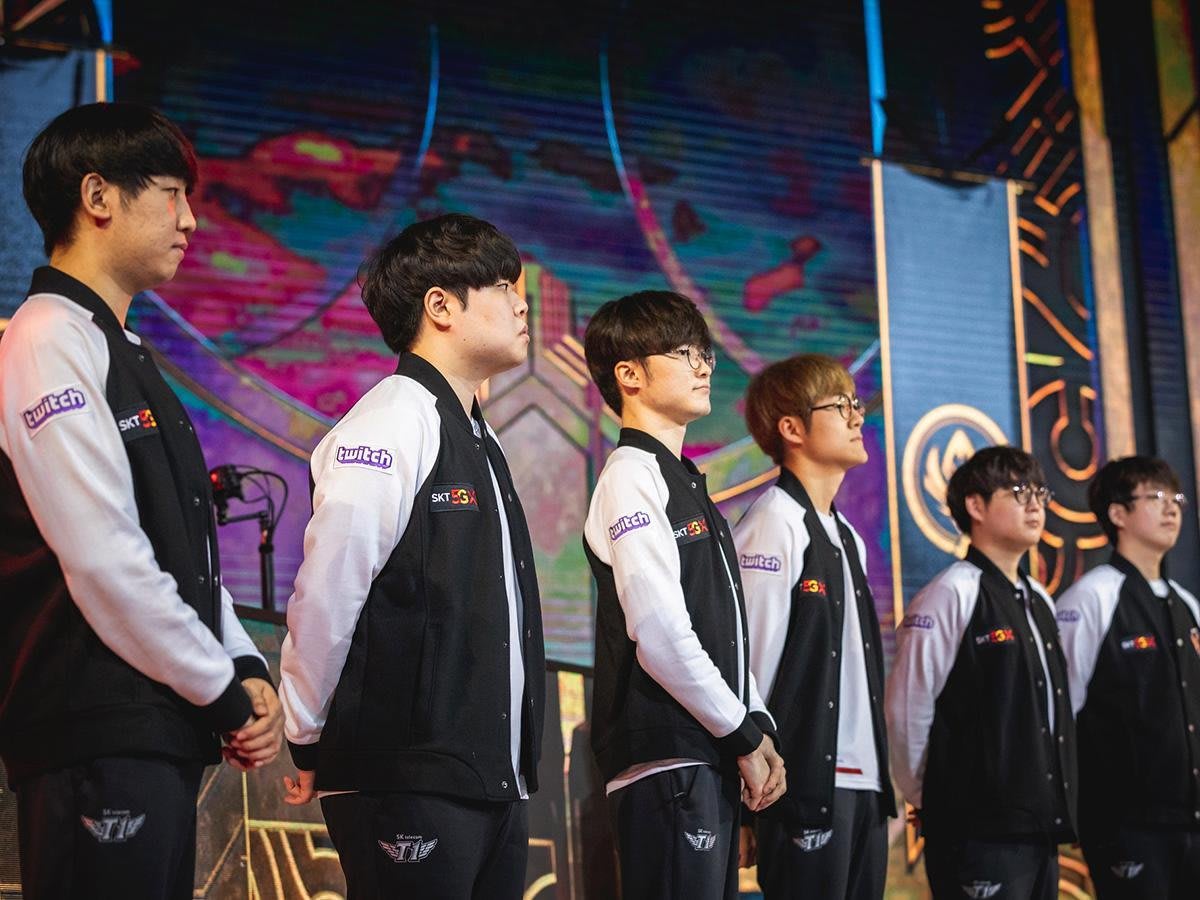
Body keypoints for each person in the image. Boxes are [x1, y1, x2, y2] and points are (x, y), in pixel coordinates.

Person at [0, 102, 283, 900]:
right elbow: (103, 556)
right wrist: (222, 691)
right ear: (98, 196)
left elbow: (175, 554)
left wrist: (245, 665)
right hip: (93, 728)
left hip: (151, 730)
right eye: (171, 194)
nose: (190, 221)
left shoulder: (123, 350)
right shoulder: (46, 336)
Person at [278, 213, 546, 899]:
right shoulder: (391, 421)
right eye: (503, 287)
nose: (523, 304)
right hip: (408, 777)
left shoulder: (476, 434)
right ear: (440, 306)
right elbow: (327, 594)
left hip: (488, 780)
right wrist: (305, 733)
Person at [581, 290, 786, 900]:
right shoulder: (630, 474)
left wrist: (758, 723)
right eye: (682, 352)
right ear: (629, 374)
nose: (703, 366)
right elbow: (661, 634)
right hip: (666, 761)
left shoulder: (683, 480)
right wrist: (742, 733)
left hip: (706, 753)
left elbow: (724, 632)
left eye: (705, 352)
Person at [734, 354, 894, 899]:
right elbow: (750, 671)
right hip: (804, 786)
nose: (857, 416)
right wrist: (746, 806)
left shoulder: (849, 535)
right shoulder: (772, 522)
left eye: (857, 404)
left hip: (864, 784)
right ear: (791, 428)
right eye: (841, 406)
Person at [885, 446, 1075, 899]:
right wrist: (931, 797)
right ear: (976, 505)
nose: (1035, 504)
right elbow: (906, 711)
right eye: (1019, 491)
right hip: (975, 830)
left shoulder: (1039, 600)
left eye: (1040, 493)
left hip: (1039, 828)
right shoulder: (951, 593)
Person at [1056, 456, 1200, 897]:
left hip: (1190, 818)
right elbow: (1060, 711)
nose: (1171, 508)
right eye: (1156, 497)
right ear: (1117, 514)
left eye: (1176, 498)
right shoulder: (1091, 597)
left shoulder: (1187, 604)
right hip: (1125, 824)